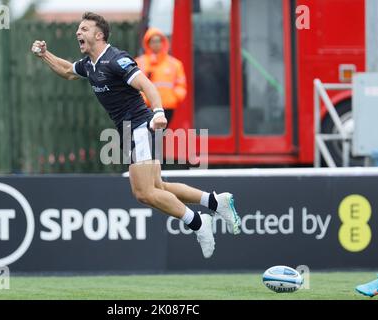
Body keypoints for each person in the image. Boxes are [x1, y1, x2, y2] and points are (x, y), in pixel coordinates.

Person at [31, 12, 241, 258]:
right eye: (78, 29)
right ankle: (216, 202)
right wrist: (45, 55)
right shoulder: (90, 64)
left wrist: (159, 112)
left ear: (99, 35)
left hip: (141, 126)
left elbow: (147, 86)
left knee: (144, 193)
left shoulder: (115, 59)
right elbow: (67, 70)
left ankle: (197, 222)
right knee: (158, 187)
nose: (78, 33)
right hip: (131, 129)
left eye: (84, 29)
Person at [135, 28, 186, 124]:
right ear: (148, 43)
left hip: (167, 106)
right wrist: (144, 100)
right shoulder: (139, 62)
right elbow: (135, 85)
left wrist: (175, 97)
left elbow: (181, 85)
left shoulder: (175, 64)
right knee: (150, 136)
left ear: (163, 43)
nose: (156, 44)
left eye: (158, 41)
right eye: (153, 41)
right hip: (147, 107)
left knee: (160, 135)